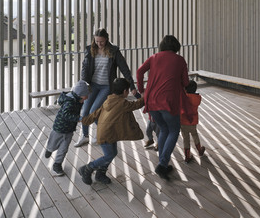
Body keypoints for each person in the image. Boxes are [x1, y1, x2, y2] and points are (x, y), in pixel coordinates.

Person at [74, 28, 139, 147]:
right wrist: (84, 84)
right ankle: (85, 136)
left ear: (107, 39)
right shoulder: (90, 49)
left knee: (94, 110)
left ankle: (102, 133)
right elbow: (85, 68)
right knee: (85, 111)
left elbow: (124, 69)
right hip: (92, 85)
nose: (99, 44)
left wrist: (132, 86)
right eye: (97, 41)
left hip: (106, 86)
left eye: (102, 42)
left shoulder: (114, 51)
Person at [136, 35, 189, 180]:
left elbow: (140, 72)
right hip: (168, 102)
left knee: (164, 129)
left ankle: (163, 164)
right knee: (173, 130)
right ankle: (162, 164)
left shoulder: (154, 57)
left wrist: (142, 91)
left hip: (151, 100)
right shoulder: (180, 60)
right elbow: (185, 82)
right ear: (176, 47)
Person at [78, 78, 144, 185]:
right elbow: (136, 105)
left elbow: (95, 114)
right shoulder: (122, 103)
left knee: (112, 153)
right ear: (124, 91)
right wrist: (145, 98)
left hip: (108, 132)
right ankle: (87, 168)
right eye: (127, 90)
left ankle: (100, 174)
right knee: (109, 155)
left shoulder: (107, 100)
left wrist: (84, 120)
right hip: (107, 134)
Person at [45, 80, 90, 176]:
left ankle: (57, 165)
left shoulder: (78, 100)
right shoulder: (69, 102)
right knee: (53, 144)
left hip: (69, 130)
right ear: (81, 94)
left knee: (63, 148)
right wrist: (78, 118)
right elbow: (66, 114)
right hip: (59, 128)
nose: (88, 97)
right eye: (86, 95)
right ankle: (49, 149)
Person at [180, 79, 206, 163]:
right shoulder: (198, 98)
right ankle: (199, 149)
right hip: (193, 122)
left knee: (186, 139)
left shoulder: (184, 97)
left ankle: (187, 156)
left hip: (183, 122)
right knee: (195, 135)